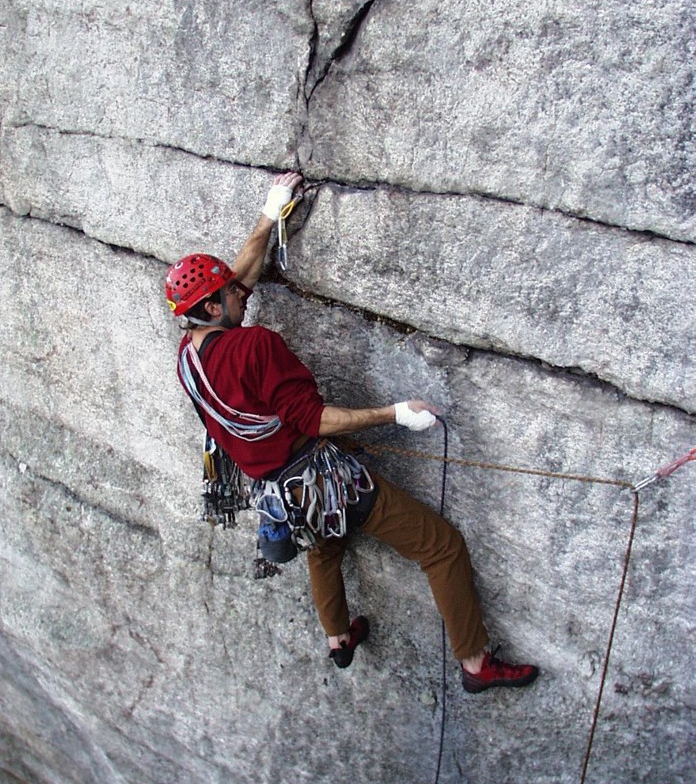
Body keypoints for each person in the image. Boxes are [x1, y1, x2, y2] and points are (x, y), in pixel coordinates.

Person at [165, 171, 539, 693]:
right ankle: (476, 664)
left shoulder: (188, 357)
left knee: (324, 545)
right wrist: (395, 413)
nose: (242, 294)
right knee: (442, 546)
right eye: (231, 293)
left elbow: (241, 273)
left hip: (279, 491)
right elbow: (313, 419)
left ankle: (338, 638)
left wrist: (271, 213)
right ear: (212, 307)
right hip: (318, 477)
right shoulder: (254, 346)